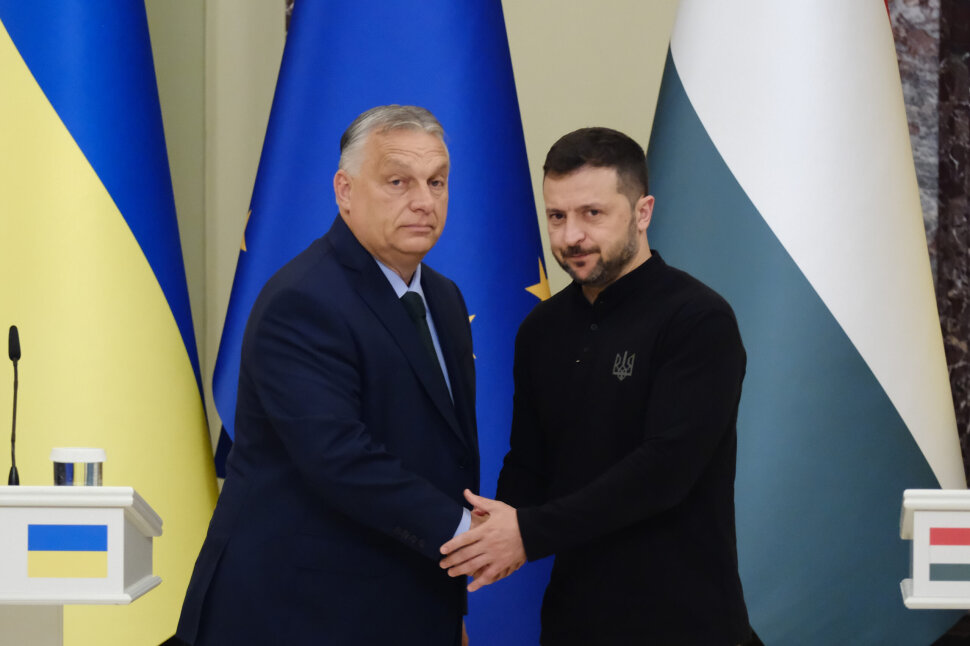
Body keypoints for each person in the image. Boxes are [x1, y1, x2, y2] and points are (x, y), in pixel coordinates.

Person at [177, 105, 479, 646]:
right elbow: (340, 459)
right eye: (398, 181)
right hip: (299, 613)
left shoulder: (445, 299)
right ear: (345, 191)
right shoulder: (304, 300)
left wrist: (447, 605)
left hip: (408, 604)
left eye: (436, 182)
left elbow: (442, 457)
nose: (424, 201)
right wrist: (468, 534)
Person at [440, 127, 753, 645]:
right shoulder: (540, 330)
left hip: (687, 623)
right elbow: (530, 463)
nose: (571, 237)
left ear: (643, 212)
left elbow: (664, 472)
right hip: (573, 621)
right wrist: (487, 536)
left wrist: (527, 534)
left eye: (592, 213)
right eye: (557, 217)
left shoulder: (698, 320)